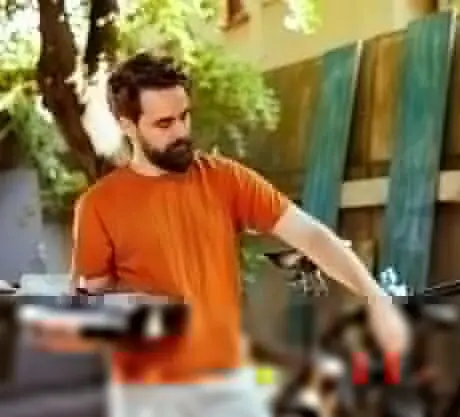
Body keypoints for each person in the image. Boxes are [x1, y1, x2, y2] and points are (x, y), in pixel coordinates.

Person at [32, 51, 410, 417]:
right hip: (148, 392)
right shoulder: (99, 205)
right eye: (164, 124)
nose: (181, 132)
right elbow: (90, 304)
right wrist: (124, 308)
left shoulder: (225, 180)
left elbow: (311, 236)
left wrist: (375, 297)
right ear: (128, 125)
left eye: (184, 116)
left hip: (226, 381)